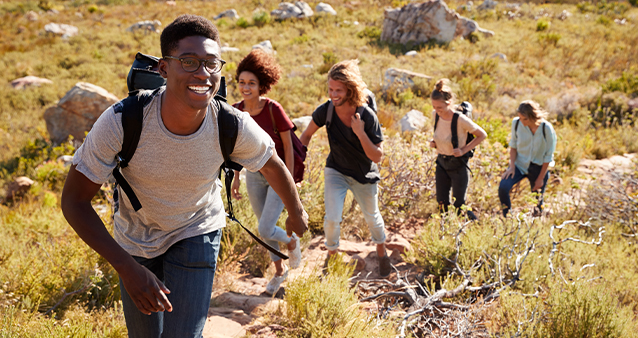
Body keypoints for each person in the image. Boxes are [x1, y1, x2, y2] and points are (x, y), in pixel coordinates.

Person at [60, 15, 307, 338]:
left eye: (211, 64)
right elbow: (74, 201)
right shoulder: (123, 121)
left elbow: (271, 163)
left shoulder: (230, 123)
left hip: (197, 228)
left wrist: (296, 210)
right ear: (164, 69)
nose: (202, 74)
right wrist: (126, 267)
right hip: (136, 239)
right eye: (188, 62)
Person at [300, 59, 391, 278]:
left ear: (350, 90)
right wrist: (296, 162)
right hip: (336, 170)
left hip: (364, 175)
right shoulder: (327, 111)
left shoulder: (367, 116)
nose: (333, 94)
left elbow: (377, 157)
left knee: (372, 217)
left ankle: (381, 251)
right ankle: (331, 257)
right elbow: (306, 135)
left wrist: (360, 132)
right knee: (332, 218)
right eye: (330, 89)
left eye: (338, 90)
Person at [230, 49, 302, 295]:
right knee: (265, 226)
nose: (246, 87)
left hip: (277, 176)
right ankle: (280, 272)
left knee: (265, 228)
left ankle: (292, 242)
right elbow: (235, 149)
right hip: (253, 175)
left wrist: (290, 180)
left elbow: (289, 149)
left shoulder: (273, 109)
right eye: (242, 82)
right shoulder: (235, 111)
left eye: (251, 83)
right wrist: (236, 177)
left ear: (262, 85)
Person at [429, 79, 487, 220]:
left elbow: (482, 135)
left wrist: (464, 150)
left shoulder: (460, 119)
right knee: (442, 204)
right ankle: (445, 234)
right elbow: (440, 134)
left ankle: (475, 227)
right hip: (441, 163)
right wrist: (434, 142)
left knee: (459, 205)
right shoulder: (435, 115)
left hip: (458, 165)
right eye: (434, 107)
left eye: (440, 107)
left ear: (449, 103)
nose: (437, 110)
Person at [499, 100, 557, 217]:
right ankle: (507, 218)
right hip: (520, 165)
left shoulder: (547, 128)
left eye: (524, 119)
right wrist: (511, 167)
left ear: (533, 117)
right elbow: (513, 146)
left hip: (539, 168)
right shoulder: (516, 123)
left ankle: (536, 225)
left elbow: (548, 156)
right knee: (503, 187)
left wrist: (540, 179)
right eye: (519, 117)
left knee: (537, 202)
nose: (521, 121)